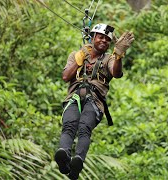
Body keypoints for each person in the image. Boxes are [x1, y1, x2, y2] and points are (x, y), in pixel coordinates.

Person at [54, 23, 134, 180]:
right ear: (93, 38)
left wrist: (118, 55)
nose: (103, 41)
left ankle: (78, 161)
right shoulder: (77, 55)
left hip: (95, 101)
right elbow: (65, 77)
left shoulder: (109, 59)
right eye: (100, 37)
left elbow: (116, 73)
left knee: (84, 127)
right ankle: (63, 156)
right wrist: (79, 60)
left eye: (107, 39)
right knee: (69, 124)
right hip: (74, 98)